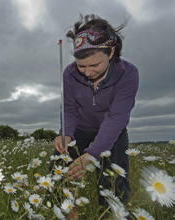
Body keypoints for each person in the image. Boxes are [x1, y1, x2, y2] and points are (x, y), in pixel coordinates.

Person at [49, 14, 139, 217]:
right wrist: (66, 134)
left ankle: (111, 214)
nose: (87, 72)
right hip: (80, 128)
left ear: (111, 52)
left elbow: (117, 117)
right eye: (82, 66)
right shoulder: (70, 74)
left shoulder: (129, 74)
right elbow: (69, 109)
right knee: (58, 168)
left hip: (112, 131)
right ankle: (66, 212)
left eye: (94, 65)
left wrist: (93, 153)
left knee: (114, 178)